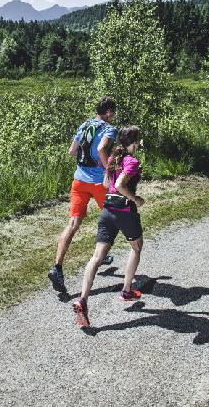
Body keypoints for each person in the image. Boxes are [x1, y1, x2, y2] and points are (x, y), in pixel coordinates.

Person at [72, 125, 145, 328]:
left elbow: (105, 184)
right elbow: (120, 185)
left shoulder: (113, 159)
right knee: (136, 247)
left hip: (107, 212)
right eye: (139, 140)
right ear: (134, 142)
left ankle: (83, 300)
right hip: (124, 212)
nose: (140, 143)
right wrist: (135, 198)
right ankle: (126, 290)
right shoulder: (132, 161)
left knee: (97, 257)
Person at [47, 96, 118, 293]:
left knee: (73, 224)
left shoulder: (84, 125)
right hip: (98, 183)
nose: (114, 115)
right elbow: (102, 148)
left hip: (79, 181)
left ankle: (57, 267)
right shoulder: (109, 129)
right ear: (109, 112)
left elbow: (72, 151)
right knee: (113, 218)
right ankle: (101, 254)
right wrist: (108, 169)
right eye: (113, 111)